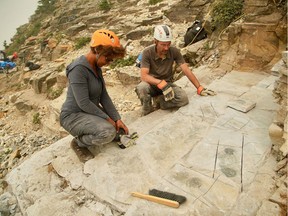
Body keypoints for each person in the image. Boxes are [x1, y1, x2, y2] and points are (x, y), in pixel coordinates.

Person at [60, 29, 129, 162]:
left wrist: (117, 119)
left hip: (88, 112)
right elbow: (83, 103)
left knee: (117, 131)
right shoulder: (78, 69)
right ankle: (79, 143)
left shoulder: (96, 67)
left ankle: (99, 128)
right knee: (108, 132)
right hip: (73, 116)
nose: (108, 63)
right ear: (97, 50)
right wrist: (107, 119)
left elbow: (104, 96)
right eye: (108, 59)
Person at [135, 24, 216, 116]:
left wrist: (199, 87)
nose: (166, 48)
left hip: (167, 84)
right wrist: (160, 83)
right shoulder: (147, 52)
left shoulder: (174, 51)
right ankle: (147, 109)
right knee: (142, 87)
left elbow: (186, 70)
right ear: (155, 42)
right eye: (163, 45)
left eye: (168, 44)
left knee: (183, 99)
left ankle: (159, 101)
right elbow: (144, 76)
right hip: (152, 84)